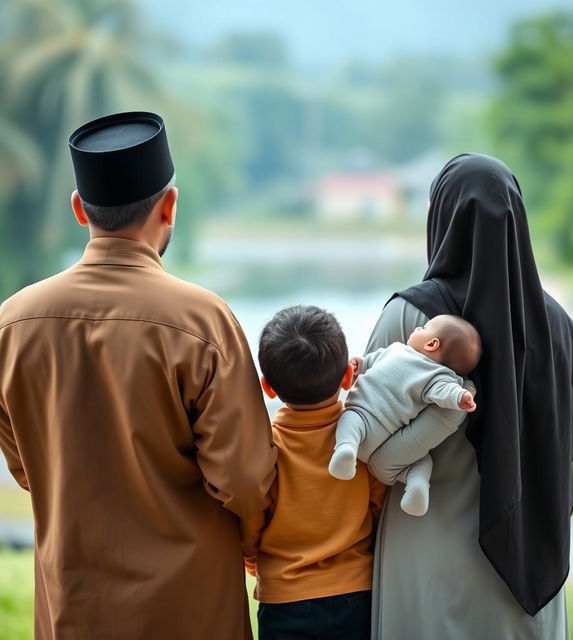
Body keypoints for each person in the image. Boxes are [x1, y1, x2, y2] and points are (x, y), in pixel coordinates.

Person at [0, 111, 276, 639]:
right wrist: (254, 542)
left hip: (71, 606)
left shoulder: (13, 323)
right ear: (169, 206)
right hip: (191, 611)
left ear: (80, 210)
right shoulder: (202, 320)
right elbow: (243, 480)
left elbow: (27, 467)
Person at [366, 154, 573, 639]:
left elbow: (362, 420)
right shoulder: (558, 329)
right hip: (527, 563)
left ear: (442, 219)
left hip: (425, 559)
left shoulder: (412, 319)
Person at [243, 305, 387, 640]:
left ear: (268, 387)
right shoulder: (365, 435)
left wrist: (252, 556)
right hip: (359, 593)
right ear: (349, 377)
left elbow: (252, 513)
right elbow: (380, 506)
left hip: (285, 600)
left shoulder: (264, 447)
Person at [328, 314, 481, 517]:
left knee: (349, 419)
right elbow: (447, 392)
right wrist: (461, 396)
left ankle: (346, 449)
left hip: (362, 417)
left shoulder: (397, 350)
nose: (418, 329)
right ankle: (417, 483)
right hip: (386, 442)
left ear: (432, 343)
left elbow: (372, 361)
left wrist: (359, 364)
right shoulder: (437, 377)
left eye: (424, 327)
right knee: (421, 462)